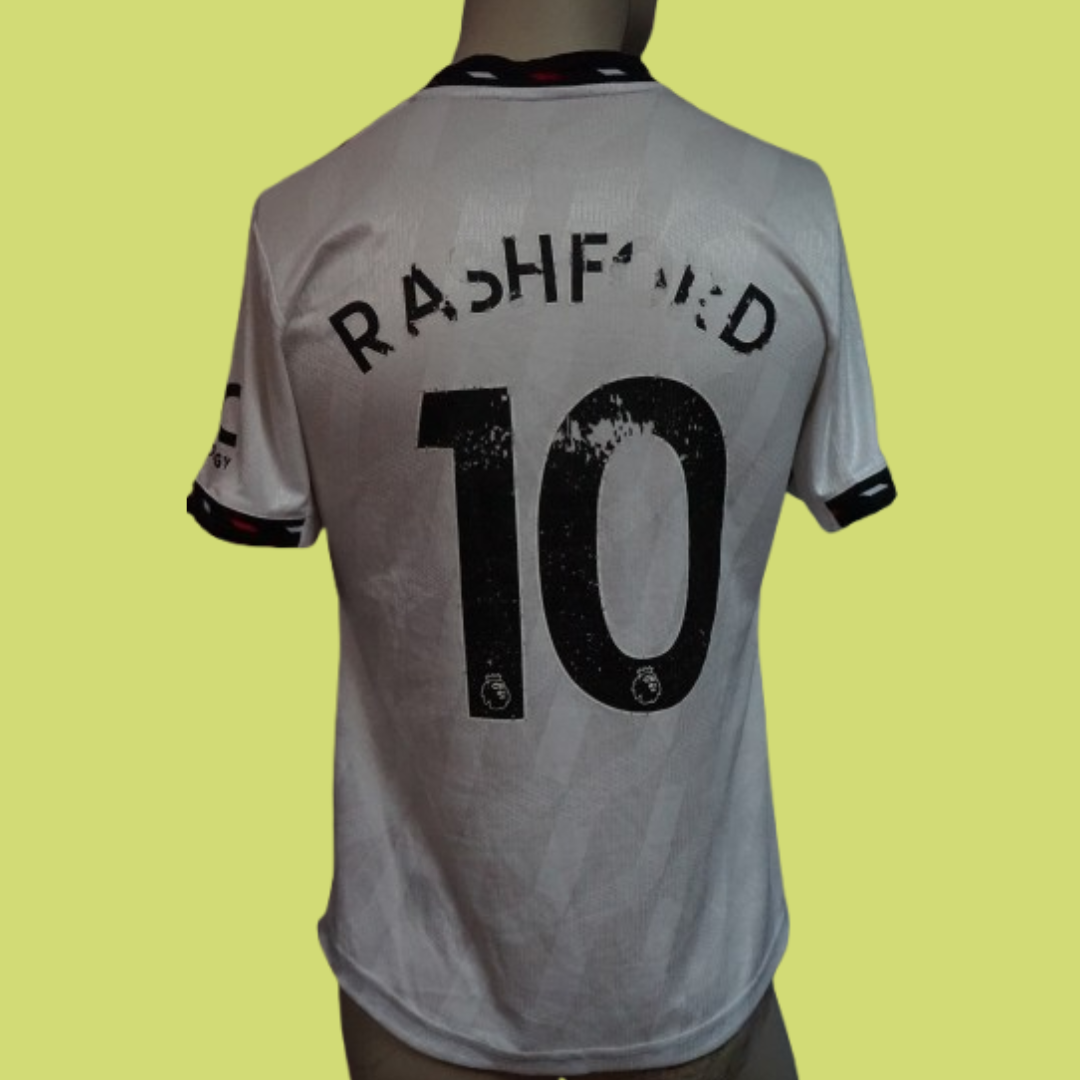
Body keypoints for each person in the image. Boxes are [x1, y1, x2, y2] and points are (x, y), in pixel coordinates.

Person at [188, 0, 897, 1076]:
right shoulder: (786, 210)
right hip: (682, 976)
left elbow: (265, 506)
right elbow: (836, 480)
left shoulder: (308, 224)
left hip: (422, 985)